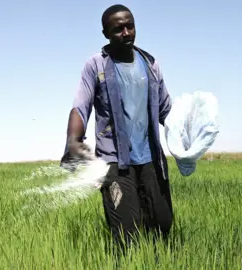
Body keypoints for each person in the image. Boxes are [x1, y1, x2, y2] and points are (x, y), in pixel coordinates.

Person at [60, 4, 174, 251]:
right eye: (118, 29)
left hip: (150, 158)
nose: (126, 33)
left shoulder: (151, 65)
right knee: (126, 235)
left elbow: (166, 110)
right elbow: (81, 106)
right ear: (106, 34)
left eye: (130, 26)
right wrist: (73, 140)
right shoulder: (96, 65)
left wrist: (190, 137)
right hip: (114, 161)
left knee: (163, 225)